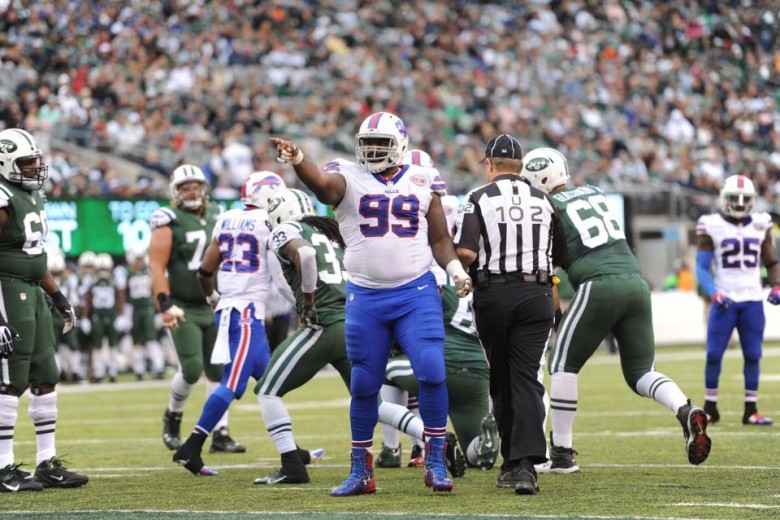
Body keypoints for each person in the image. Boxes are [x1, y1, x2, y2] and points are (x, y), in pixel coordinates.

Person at [270, 110, 472, 496]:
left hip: (415, 292)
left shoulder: (422, 178)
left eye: (381, 143)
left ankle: (434, 459)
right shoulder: (348, 174)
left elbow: (440, 239)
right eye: (368, 143)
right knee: (364, 383)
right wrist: (299, 160)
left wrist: (456, 271)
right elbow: (323, 187)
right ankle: (361, 470)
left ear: (400, 145)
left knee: (432, 371)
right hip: (365, 295)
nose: (373, 150)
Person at [518, 147, 712, 476]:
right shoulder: (594, 193)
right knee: (641, 372)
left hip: (598, 284)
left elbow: (547, 270)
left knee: (562, 364)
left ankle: (562, 454)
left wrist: (555, 313)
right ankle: (685, 409)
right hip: (636, 282)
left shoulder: (546, 206)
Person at [254, 189, 433, 486]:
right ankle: (433, 438)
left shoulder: (287, 230)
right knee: (372, 404)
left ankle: (291, 465)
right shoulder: (331, 232)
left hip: (324, 325)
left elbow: (306, 254)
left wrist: (308, 300)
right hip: (356, 323)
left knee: (267, 391)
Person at [452, 134, 566, 496]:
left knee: (501, 379)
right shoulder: (544, 200)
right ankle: (526, 465)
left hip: (495, 294)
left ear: (489, 164)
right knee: (527, 378)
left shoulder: (478, 197)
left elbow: (466, 252)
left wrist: (457, 270)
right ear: (520, 167)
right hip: (536, 294)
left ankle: (513, 463)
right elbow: (560, 254)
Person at [378, 193, 497, 475]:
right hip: (478, 372)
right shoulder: (484, 269)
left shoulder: (428, 270)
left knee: (376, 375)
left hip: (442, 365)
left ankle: (403, 445)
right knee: (475, 456)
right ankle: (485, 440)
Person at [172, 171, 278, 476]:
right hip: (245, 312)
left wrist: (214, 298)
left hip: (234, 309)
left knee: (271, 384)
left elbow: (204, 272)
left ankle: (290, 451)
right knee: (231, 384)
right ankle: (191, 447)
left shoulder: (226, 218)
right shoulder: (268, 222)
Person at [0, 127, 88, 491]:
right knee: (11, 378)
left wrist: (58, 295)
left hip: (34, 291)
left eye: (36, 162)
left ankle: (46, 461)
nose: (35, 169)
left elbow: (34, 254)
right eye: (26, 163)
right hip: (7, 290)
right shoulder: (3, 196)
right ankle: (2, 466)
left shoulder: (31, 195)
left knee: (46, 373)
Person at [149, 164, 244, 454]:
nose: (191, 192)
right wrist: (164, 303)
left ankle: (220, 432)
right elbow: (157, 265)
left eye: (195, 187)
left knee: (219, 370)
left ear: (204, 188)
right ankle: (173, 415)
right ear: (175, 192)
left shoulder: (219, 214)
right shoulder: (169, 219)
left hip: (215, 303)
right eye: (185, 188)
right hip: (183, 305)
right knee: (191, 369)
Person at [695, 174, 778, 426]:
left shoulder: (761, 223)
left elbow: (771, 261)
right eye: (734, 198)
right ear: (724, 199)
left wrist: (776, 285)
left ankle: (750, 410)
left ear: (752, 200)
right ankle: (710, 408)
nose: (740, 203)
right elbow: (701, 267)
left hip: (752, 299)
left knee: (753, 354)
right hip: (725, 299)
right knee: (713, 354)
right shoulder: (711, 224)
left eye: (744, 199)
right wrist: (714, 292)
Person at [80, 252, 124, 383]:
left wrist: (121, 315)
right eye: (101, 269)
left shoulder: (115, 278)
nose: (103, 272)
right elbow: (88, 299)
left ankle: (113, 371)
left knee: (113, 344)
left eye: (105, 268)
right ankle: (99, 372)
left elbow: (120, 297)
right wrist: (85, 317)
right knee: (97, 344)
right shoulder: (91, 280)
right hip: (97, 315)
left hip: (111, 314)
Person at [124, 248, 166, 381]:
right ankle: (139, 370)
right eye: (137, 259)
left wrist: (159, 312)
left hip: (148, 310)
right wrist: (125, 313)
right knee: (137, 341)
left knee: (152, 339)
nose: (139, 262)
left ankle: (158, 367)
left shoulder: (149, 271)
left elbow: (155, 292)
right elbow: (123, 294)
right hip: (135, 310)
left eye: (140, 259)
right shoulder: (126, 273)